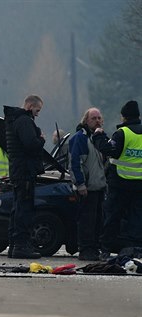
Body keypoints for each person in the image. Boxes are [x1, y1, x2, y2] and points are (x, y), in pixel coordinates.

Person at [93, 100, 142, 256]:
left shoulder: (122, 133)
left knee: (112, 216)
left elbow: (109, 150)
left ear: (123, 117)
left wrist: (99, 137)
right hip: (139, 185)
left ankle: (106, 249)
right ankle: (134, 250)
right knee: (137, 218)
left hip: (119, 183)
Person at [4, 95, 46, 259]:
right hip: (25, 171)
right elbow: (31, 144)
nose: (37, 114)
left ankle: (14, 245)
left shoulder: (13, 120)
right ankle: (22, 246)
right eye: (37, 110)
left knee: (17, 209)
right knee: (24, 209)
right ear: (30, 105)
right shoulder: (24, 121)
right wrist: (41, 139)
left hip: (18, 170)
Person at [68, 107, 106, 261]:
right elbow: (75, 162)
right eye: (93, 118)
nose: (97, 121)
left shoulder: (99, 138)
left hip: (99, 187)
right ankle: (85, 249)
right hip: (87, 188)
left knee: (97, 220)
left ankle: (94, 249)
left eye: (99, 118)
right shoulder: (81, 138)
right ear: (86, 121)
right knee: (86, 221)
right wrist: (80, 184)